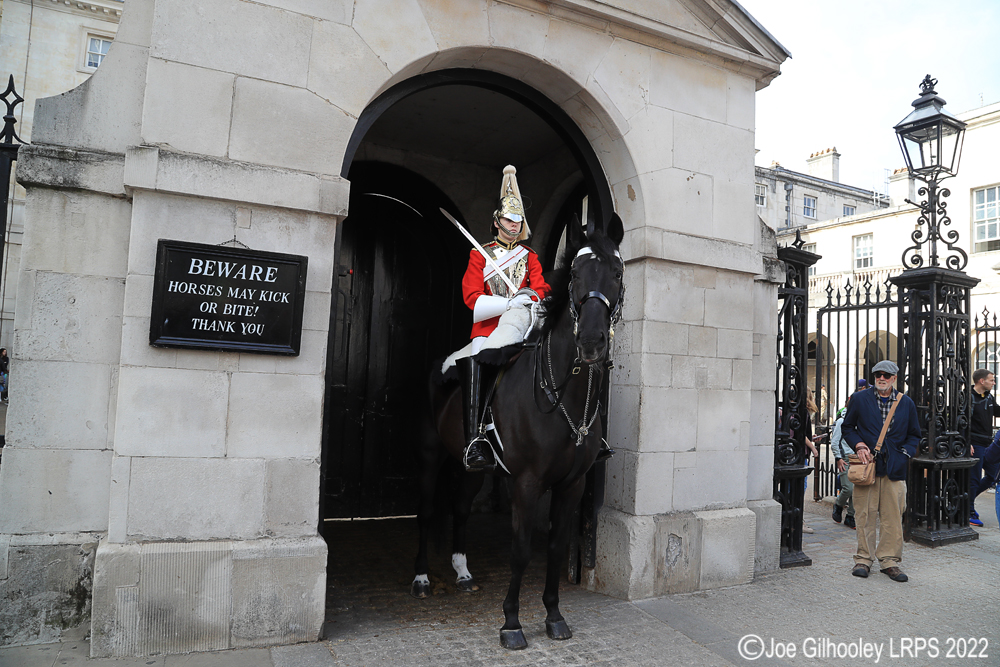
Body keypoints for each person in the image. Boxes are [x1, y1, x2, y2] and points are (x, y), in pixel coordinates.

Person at [458, 166, 550, 471]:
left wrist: (529, 297)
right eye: (509, 219)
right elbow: (471, 296)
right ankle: (475, 438)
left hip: (524, 327)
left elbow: (540, 286)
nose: (514, 224)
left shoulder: (530, 257)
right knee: (476, 359)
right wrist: (509, 302)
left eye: (518, 220)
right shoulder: (480, 255)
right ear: (497, 222)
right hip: (488, 328)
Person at [841, 360, 921, 582]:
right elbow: (847, 427)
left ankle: (889, 561)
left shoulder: (906, 403)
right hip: (866, 467)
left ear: (894, 378)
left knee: (892, 516)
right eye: (878, 375)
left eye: (886, 375)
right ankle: (863, 559)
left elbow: (915, 434)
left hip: (894, 468)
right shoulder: (859, 398)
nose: (881, 378)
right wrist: (859, 445)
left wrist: (905, 452)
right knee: (864, 514)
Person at [968, 368, 1000, 527]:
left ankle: (968, 500)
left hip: (988, 443)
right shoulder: (968, 398)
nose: (994, 383)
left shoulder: (988, 396)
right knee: (973, 480)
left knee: (992, 477)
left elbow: (997, 412)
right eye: (992, 380)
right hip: (975, 444)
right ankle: (968, 511)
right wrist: (967, 442)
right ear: (982, 381)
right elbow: (962, 421)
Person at [830, 399, 856, 529]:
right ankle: (838, 504)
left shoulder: (861, 421)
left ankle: (851, 516)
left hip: (857, 457)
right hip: (845, 456)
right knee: (848, 488)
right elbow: (834, 442)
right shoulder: (842, 421)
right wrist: (838, 458)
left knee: (857, 488)